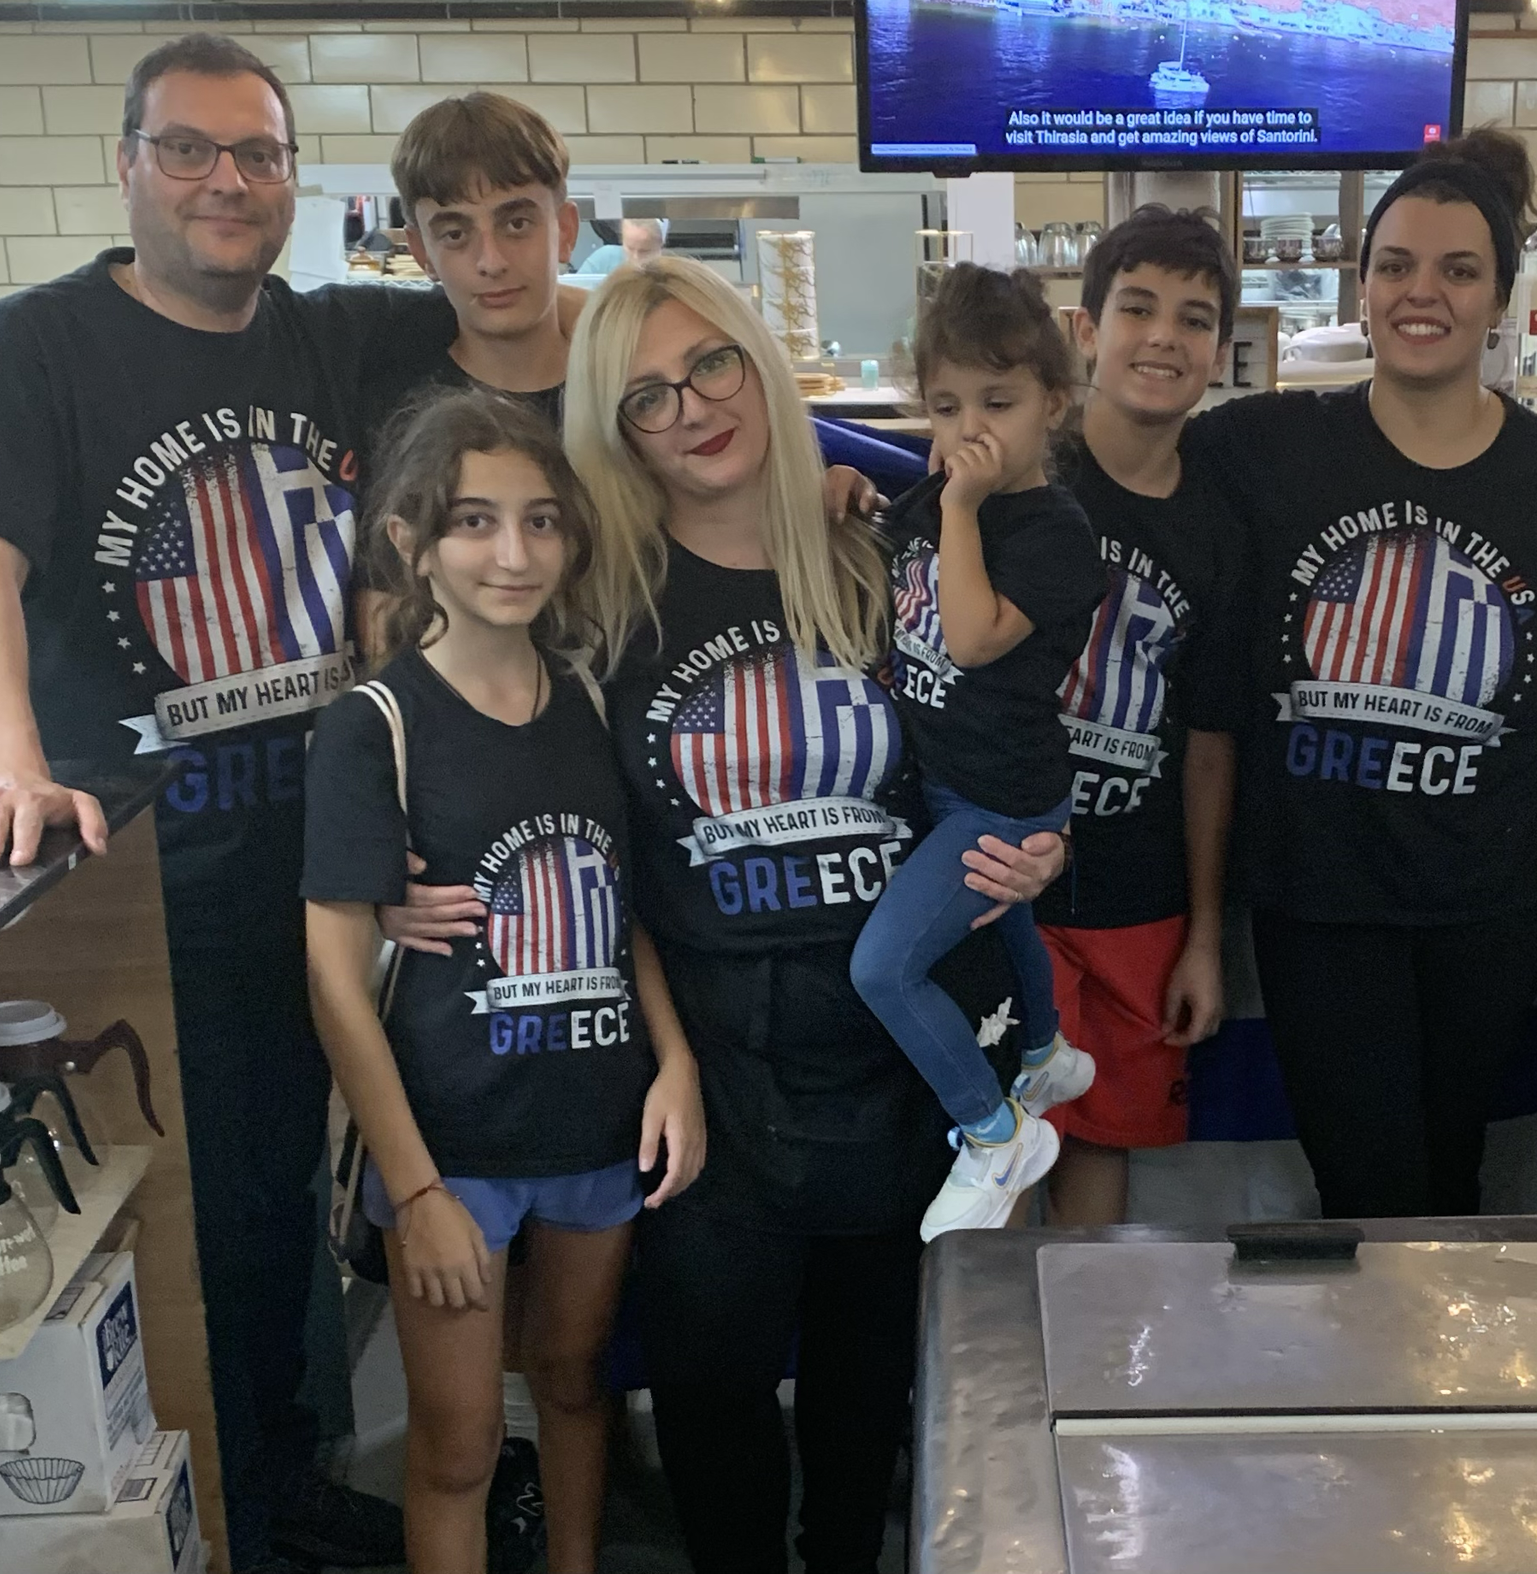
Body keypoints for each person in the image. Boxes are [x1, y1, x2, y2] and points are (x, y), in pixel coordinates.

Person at [384, 254, 1069, 1574]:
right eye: (646, 395)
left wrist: (1033, 852)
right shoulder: (600, 602)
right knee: (711, 1390)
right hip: (708, 1066)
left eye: (709, 364)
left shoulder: (893, 552)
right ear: (616, 428)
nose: (691, 405)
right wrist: (408, 877)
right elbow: (534, 797)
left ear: (757, 361)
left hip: (900, 1043)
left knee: (875, 1387)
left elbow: (1005, 744)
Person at [0, 32, 456, 1572]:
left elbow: (553, 342)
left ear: (296, 179)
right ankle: (222, 1508)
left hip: (332, 860)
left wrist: (834, 462)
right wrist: (7, 764)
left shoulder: (346, 339)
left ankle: (276, 1486)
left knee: (285, 1194)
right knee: (186, 1210)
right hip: (153, 877)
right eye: (191, 150)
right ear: (129, 163)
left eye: (259, 154)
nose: (229, 180)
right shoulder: (35, 346)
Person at [1185, 129, 1537, 1219]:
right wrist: (881, 493)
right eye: (1395, 266)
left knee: (1449, 1168)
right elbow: (1095, 449)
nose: (1420, 292)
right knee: (1369, 1184)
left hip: (1495, 897)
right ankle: (1380, 1383)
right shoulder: (1262, 446)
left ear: (1498, 297)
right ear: (1361, 285)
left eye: (1456, 269)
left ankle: (1426, 1389)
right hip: (1318, 895)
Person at [303, 391, 704, 1574]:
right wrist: (416, 1188)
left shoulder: (587, 697)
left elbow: (620, 906)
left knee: (577, 1383)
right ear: (411, 541)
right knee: (462, 1440)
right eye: (475, 522)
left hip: (593, 1123)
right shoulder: (372, 726)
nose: (513, 553)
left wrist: (673, 1059)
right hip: (454, 1144)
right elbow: (332, 980)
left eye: (539, 520)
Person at [852, 264, 1108, 1236]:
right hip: (952, 782)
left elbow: (968, 636)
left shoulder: (1052, 532)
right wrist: (857, 494)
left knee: (885, 969)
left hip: (1005, 797)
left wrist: (958, 510)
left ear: (1054, 399)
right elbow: (884, 543)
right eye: (947, 405)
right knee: (1003, 925)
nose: (970, 431)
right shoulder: (932, 497)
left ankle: (995, 1129)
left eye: (997, 402)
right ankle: (1041, 1051)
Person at [1040, 207, 1248, 1226]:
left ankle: (1079, 1371)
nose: (1164, 335)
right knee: (998, 1145)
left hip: (1139, 894)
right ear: (1084, 330)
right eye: (1137, 308)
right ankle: (984, 1376)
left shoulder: (1216, 526)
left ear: (1221, 350)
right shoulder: (1013, 474)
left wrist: (1203, 933)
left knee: (1105, 1137)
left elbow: (1210, 747)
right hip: (1004, 887)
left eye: (1194, 317)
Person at [363, 91, 585, 439]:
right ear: (422, 252)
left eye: (517, 225)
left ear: (566, 230)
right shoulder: (387, 403)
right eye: (454, 234)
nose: (491, 263)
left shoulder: (630, 389)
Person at [575, 217, 668, 277]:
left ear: (660, 246)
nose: (635, 257)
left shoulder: (669, 274)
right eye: (630, 248)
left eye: (644, 251)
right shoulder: (603, 259)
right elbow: (575, 292)